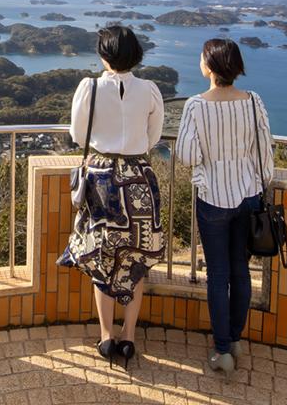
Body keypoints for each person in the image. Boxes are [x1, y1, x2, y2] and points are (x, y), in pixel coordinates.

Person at [58, 25, 165, 369]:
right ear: (135, 54)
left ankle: (106, 337)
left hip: (102, 182)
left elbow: (77, 135)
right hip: (138, 180)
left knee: (102, 257)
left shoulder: (88, 87)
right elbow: (153, 137)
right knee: (134, 258)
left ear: (103, 54)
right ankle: (129, 335)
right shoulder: (149, 90)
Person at [174, 37, 274, 372]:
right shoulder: (253, 101)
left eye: (201, 57)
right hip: (248, 196)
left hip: (213, 200)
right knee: (239, 271)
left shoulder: (196, 106)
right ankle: (234, 339)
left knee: (218, 275)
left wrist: (208, 158)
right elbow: (265, 151)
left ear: (210, 65)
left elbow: (187, 156)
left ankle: (222, 351)